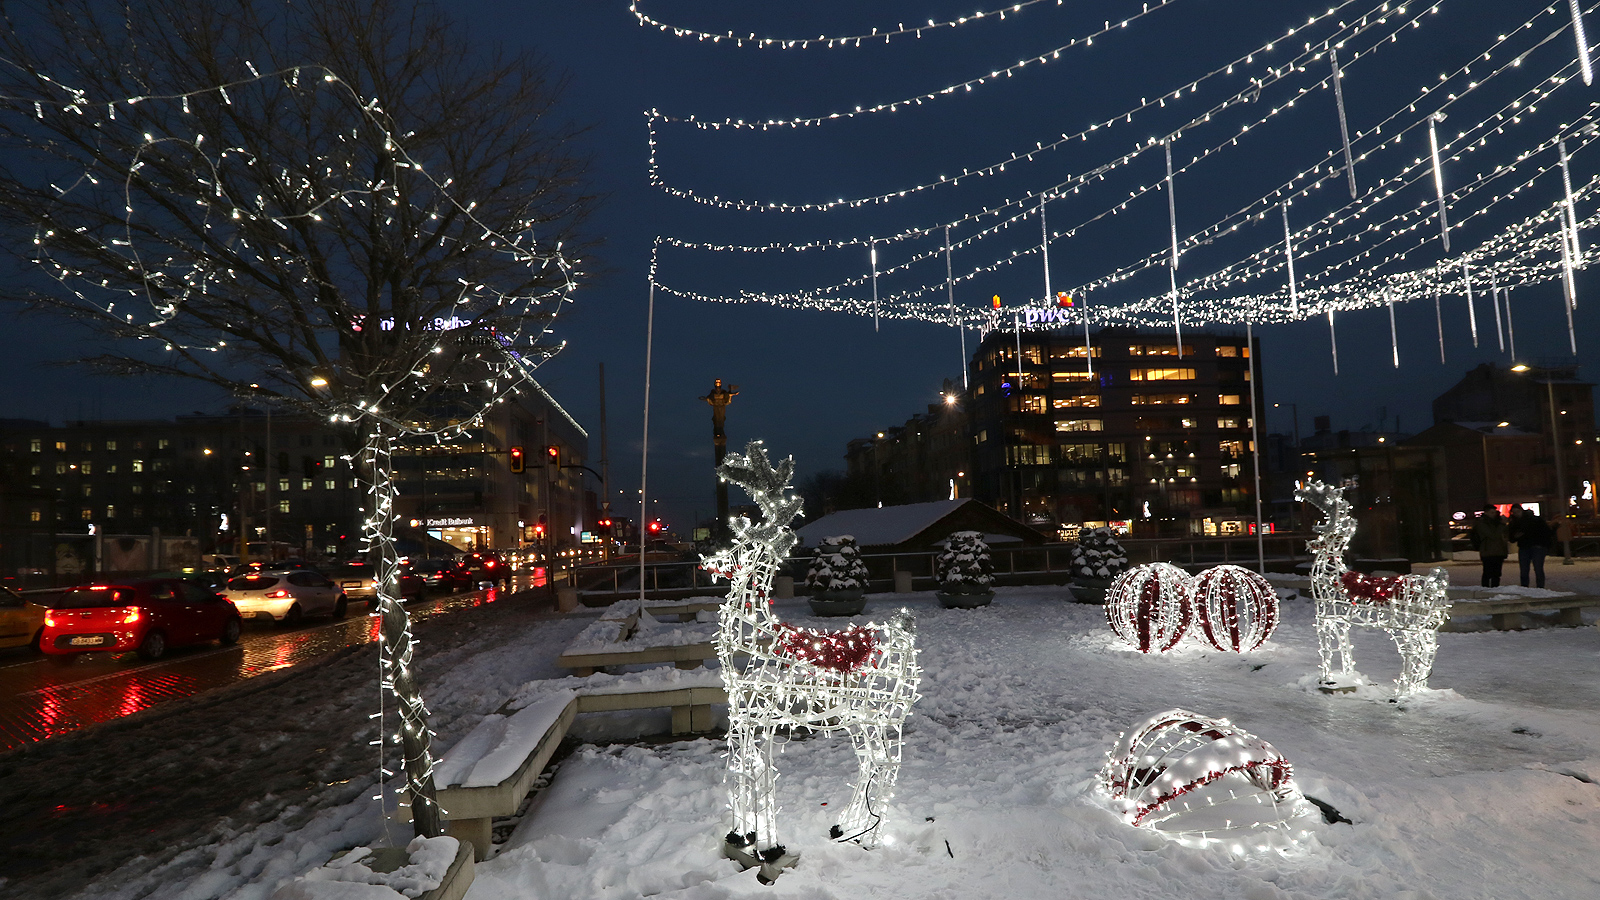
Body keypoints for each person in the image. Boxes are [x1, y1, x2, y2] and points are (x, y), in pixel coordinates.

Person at [1513, 507, 1553, 589]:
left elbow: (1513, 537)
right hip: (1537, 546)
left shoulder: (1517, 522)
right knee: (1538, 569)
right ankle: (1539, 587)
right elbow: (1547, 533)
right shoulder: (1537, 520)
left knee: (1525, 569)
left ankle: (1525, 587)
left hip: (1525, 546)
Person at [1470, 505, 1510, 588]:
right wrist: (1502, 525)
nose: (1494, 514)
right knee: (1488, 573)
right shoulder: (1482, 523)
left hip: (1498, 551)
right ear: (1486, 512)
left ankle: (1494, 589)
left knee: (1496, 573)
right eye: (1492, 512)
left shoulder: (1496, 522)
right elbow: (1493, 535)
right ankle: (1486, 589)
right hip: (1488, 551)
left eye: (1494, 512)